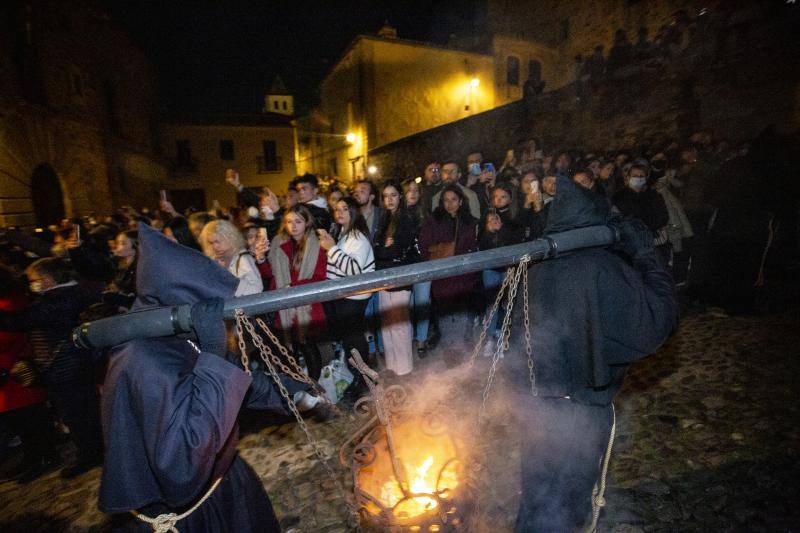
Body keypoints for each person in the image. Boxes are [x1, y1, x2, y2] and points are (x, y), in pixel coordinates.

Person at [100, 223, 311, 532]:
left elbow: (225, 383)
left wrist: (286, 392)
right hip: (193, 515)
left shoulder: (173, 331)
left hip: (221, 480)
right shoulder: (143, 361)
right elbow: (182, 465)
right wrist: (212, 353)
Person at [504, 175, 678, 531]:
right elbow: (656, 320)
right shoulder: (603, 268)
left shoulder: (534, 267)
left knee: (537, 496)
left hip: (536, 407)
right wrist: (646, 255)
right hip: (579, 412)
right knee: (566, 505)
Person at [0, 258, 104, 479]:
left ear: (47, 280)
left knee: (78, 415)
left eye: (34, 281)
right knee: (83, 412)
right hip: (71, 365)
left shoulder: (59, 300)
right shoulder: (66, 294)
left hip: (67, 366)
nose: (31, 285)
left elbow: (19, 322)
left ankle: (91, 455)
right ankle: (93, 451)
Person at [0, 265, 60, 483]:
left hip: (15, 371)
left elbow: (11, 335)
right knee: (19, 421)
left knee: (29, 418)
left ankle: (44, 456)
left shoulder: (11, 303)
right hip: (8, 373)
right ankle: (32, 456)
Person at [317, 197, 375, 403]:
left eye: (344, 209)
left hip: (353, 296)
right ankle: (359, 378)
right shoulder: (342, 233)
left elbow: (353, 270)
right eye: (336, 209)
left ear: (353, 211)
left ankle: (364, 381)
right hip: (343, 295)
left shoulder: (358, 237)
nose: (339, 212)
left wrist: (331, 248)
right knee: (350, 338)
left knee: (354, 338)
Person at [264, 205, 328, 380]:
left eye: (298, 221)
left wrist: (293, 286)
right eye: (289, 221)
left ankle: (314, 385)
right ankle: (294, 385)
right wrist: (260, 258)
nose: (293, 226)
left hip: (307, 305)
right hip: (283, 305)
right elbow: (268, 273)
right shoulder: (278, 242)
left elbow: (320, 277)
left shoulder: (316, 243)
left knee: (307, 345)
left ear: (307, 222)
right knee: (287, 348)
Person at [419, 185, 478, 366]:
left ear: (461, 201)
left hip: (464, 278)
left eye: (454, 200)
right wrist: (445, 249)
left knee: (461, 318)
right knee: (445, 318)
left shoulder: (470, 222)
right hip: (443, 278)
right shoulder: (433, 221)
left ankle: (461, 354)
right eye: (446, 200)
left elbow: (471, 247)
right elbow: (424, 245)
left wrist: (457, 250)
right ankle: (450, 355)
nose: (450, 204)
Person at [373, 181, 419, 377]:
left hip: (400, 275)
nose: (389, 199)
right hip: (384, 273)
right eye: (386, 196)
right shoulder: (384, 218)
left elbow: (398, 249)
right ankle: (393, 368)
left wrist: (385, 248)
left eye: (393, 195)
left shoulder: (406, 218)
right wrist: (385, 247)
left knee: (399, 323)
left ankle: (405, 369)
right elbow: (378, 249)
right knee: (387, 324)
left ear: (400, 196)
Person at [402, 179, 435, 356]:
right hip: (404, 267)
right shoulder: (397, 215)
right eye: (409, 190)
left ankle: (421, 340)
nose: (413, 193)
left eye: (416, 190)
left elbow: (430, 240)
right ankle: (406, 341)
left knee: (422, 303)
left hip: (422, 264)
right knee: (404, 306)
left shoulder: (425, 216)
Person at [199, 219, 263, 296]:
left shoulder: (243, 258)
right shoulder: (213, 261)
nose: (215, 247)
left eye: (217, 241)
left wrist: (227, 276)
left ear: (229, 238)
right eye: (211, 243)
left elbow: (256, 290)